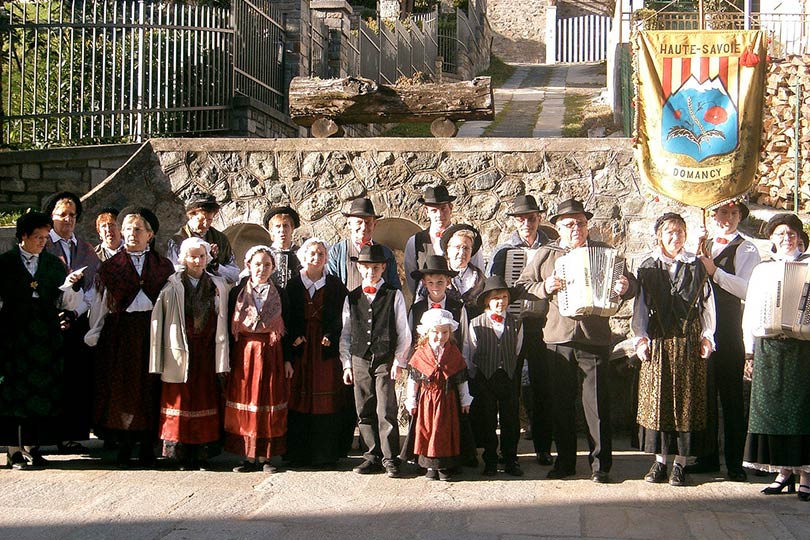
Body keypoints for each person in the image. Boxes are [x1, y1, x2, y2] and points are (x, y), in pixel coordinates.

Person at [516, 198, 636, 483]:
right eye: (569, 225)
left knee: (596, 403)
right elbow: (523, 286)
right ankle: (565, 462)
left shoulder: (606, 252)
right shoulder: (547, 254)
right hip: (558, 337)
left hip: (594, 336)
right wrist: (545, 286)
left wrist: (626, 286)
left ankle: (600, 465)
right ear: (558, 228)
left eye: (581, 223)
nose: (576, 229)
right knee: (560, 402)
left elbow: (629, 286)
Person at [85, 207, 175, 468]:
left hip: (152, 332)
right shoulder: (111, 267)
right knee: (123, 390)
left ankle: (147, 446)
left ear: (150, 234)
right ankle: (124, 446)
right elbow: (100, 305)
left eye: (138, 229)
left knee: (150, 387)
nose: (132, 234)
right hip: (121, 334)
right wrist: (95, 334)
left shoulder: (162, 266)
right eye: (127, 229)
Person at [632, 212, 715, 487]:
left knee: (685, 401)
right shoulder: (647, 267)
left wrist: (707, 336)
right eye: (670, 231)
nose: (675, 236)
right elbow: (641, 307)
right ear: (660, 235)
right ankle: (659, 462)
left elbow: (707, 305)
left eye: (680, 231)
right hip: (659, 339)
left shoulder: (697, 266)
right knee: (659, 401)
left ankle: (680, 464)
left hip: (688, 340)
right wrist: (641, 338)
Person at [0, 212, 83, 469]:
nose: (42, 242)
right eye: (37, 237)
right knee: (14, 391)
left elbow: (65, 301)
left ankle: (34, 447)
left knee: (41, 391)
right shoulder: (5, 263)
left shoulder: (52, 264)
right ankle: (13, 449)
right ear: (23, 236)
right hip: (14, 334)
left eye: (46, 237)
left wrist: (71, 286)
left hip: (45, 335)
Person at [689, 200, 759, 482]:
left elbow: (746, 289)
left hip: (728, 330)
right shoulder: (703, 243)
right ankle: (705, 457)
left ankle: (734, 462)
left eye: (733, 213)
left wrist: (715, 272)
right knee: (703, 395)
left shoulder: (747, 248)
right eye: (722, 212)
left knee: (731, 397)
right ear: (713, 215)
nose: (728, 218)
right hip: (702, 329)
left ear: (740, 215)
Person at [742, 213, 810, 500]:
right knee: (773, 413)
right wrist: (749, 351)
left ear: (800, 238)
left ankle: (806, 475)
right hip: (769, 347)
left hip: (803, 347)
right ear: (771, 238)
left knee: (803, 413)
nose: (786, 238)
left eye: (792, 233)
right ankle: (783, 472)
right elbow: (751, 312)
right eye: (781, 233)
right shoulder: (762, 271)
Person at [149, 237, 230, 471]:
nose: (197, 260)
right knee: (180, 397)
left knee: (205, 396)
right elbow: (160, 321)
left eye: (202, 256)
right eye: (192, 256)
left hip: (205, 350)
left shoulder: (218, 285)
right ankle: (180, 453)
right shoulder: (172, 286)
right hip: (180, 350)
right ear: (183, 258)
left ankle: (202, 452)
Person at [487, 194, 554, 466]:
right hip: (512, 326)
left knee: (542, 388)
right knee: (511, 389)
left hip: (542, 325)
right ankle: (509, 451)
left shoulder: (552, 248)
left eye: (531, 218)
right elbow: (494, 288)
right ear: (515, 221)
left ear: (539, 218)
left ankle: (543, 447)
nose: (526, 223)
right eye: (521, 219)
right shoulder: (504, 251)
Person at [339, 244, 412, 477]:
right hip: (360, 358)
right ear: (360, 268)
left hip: (384, 359)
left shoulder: (393, 294)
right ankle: (371, 455)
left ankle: (390, 457)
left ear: (383, 268)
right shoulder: (351, 297)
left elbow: (403, 331)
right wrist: (347, 364)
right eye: (366, 267)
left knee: (386, 409)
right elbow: (346, 333)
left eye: (376, 267)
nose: (371, 271)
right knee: (364, 409)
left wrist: (399, 362)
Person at [285, 238, 354, 467]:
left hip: (325, 352)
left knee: (327, 400)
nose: (316, 258)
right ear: (303, 257)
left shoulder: (335, 285)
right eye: (312, 254)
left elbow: (342, 317)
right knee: (299, 397)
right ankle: (298, 453)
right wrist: (294, 334)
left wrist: (332, 335)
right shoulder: (294, 285)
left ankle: (325, 454)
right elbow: (286, 314)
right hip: (302, 349)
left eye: (321, 254)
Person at [224, 245, 292, 473]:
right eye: (257, 264)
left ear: (273, 268)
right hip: (245, 353)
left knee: (268, 400)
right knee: (246, 402)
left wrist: (288, 360)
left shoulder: (281, 293)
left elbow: (288, 330)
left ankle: (266, 456)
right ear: (248, 266)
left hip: (272, 352)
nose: (261, 268)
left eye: (267, 265)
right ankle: (248, 455)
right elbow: (227, 328)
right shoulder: (237, 293)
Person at [42, 191, 100, 453]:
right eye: (62, 214)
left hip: (77, 321)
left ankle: (70, 434)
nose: (67, 220)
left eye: (72, 215)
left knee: (74, 379)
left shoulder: (85, 248)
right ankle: (44, 434)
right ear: (51, 216)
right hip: (46, 321)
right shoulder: (43, 244)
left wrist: (76, 312)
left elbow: (93, 287)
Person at [464, 275, 524, 477]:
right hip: (485, 377)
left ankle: (510, 459)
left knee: (510, 420)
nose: (501, 302)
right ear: (487, 301)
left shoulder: (516, 323)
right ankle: (490, 459)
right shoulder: (476, 323)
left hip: (507, 376)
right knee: (487, 419)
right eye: (496, 298)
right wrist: (477, 374)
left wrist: (506, 366)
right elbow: (470, 352)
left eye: (505, 297)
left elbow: (516, 350)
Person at [404, 309, 472, 481]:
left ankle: (445, 466)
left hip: (447, 400)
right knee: (427, 431)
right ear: (427, 332)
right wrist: (411, 400)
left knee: (444, 431)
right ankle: (428, 466)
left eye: (445, 332)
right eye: (436, 332)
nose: (440, 336)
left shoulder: (453, 353)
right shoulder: (421, 353)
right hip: (427, 401)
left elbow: (461, 379)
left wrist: (465, 399)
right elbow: (414, 380)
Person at [403, 185, 483, 296]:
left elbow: (479, 275)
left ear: (451, 207)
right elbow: (412, 280)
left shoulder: (468, 239)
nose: (439, 215)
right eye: (434, 210)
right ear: (426, 211)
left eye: (443, 209)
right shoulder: (415, 242)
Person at [327, 197, 401, 291]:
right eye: (359, 222)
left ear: (375, 224)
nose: (363, 227)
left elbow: (395, 288)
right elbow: (331, 288)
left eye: (368, 222)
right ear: (349, 224)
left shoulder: (386, 253)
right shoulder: (336, 252)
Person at [167, 193, 240, 284]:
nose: (206, 224)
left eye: (209, 220)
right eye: (201, 220)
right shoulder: (177, 241)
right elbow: (175, 273)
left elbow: (235, 275)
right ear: (190, 216)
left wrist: (216, 265)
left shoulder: (221, 240)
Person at [441, 224, 486, 318]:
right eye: (457, 247)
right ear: (447, 249)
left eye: (466, 248)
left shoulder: (481, 279)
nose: (462, 253)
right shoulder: (437, 275)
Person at [264, 206, 302, 288]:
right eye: (277, 226)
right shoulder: (264, 254)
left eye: (285, 226)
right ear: (271, 230)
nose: (282, 230)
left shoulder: (302, 253)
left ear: (292, 229)